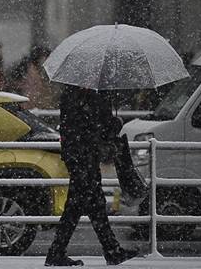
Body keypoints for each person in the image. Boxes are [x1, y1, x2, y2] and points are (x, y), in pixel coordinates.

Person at [45, 85, 139, 266]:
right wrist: (115, 121)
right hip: (85, 158)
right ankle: (58, 252)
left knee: (91, 204)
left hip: (78, 157)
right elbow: (102, 129)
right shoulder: (91, 98)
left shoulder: (70, 95)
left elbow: (77, 128)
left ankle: (111, 250)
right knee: (82, 205)